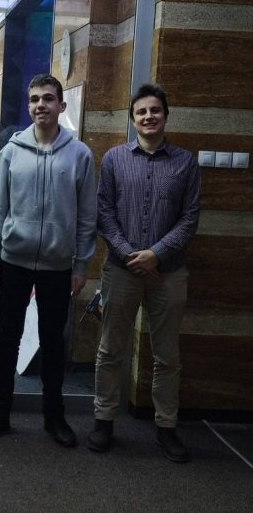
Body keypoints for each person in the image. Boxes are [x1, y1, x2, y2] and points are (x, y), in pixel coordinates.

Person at [0, 74, 96, 446]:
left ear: (61, 105)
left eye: (47, 98)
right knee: (6, 339)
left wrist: (81, 265)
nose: (40, 105)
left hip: (58, 267)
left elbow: (87, 216)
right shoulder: (12, 151)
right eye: (34, 99)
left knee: (53, 342)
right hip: (13, 261)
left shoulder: (80, 154)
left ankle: (54, 417)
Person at [88, 84, 200, 462]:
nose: (148, 116)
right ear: (132, 119)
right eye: (141, 112)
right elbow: (104, 212)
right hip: (121, 271)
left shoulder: (185, 163)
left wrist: (156, 254)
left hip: (169, 273)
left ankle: (166, 427)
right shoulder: (114, 159)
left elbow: (189, 219)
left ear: (166, 115)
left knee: (167, 356)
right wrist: (129, 254)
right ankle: (104, 420)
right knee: (110, 349)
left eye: (155, 110)